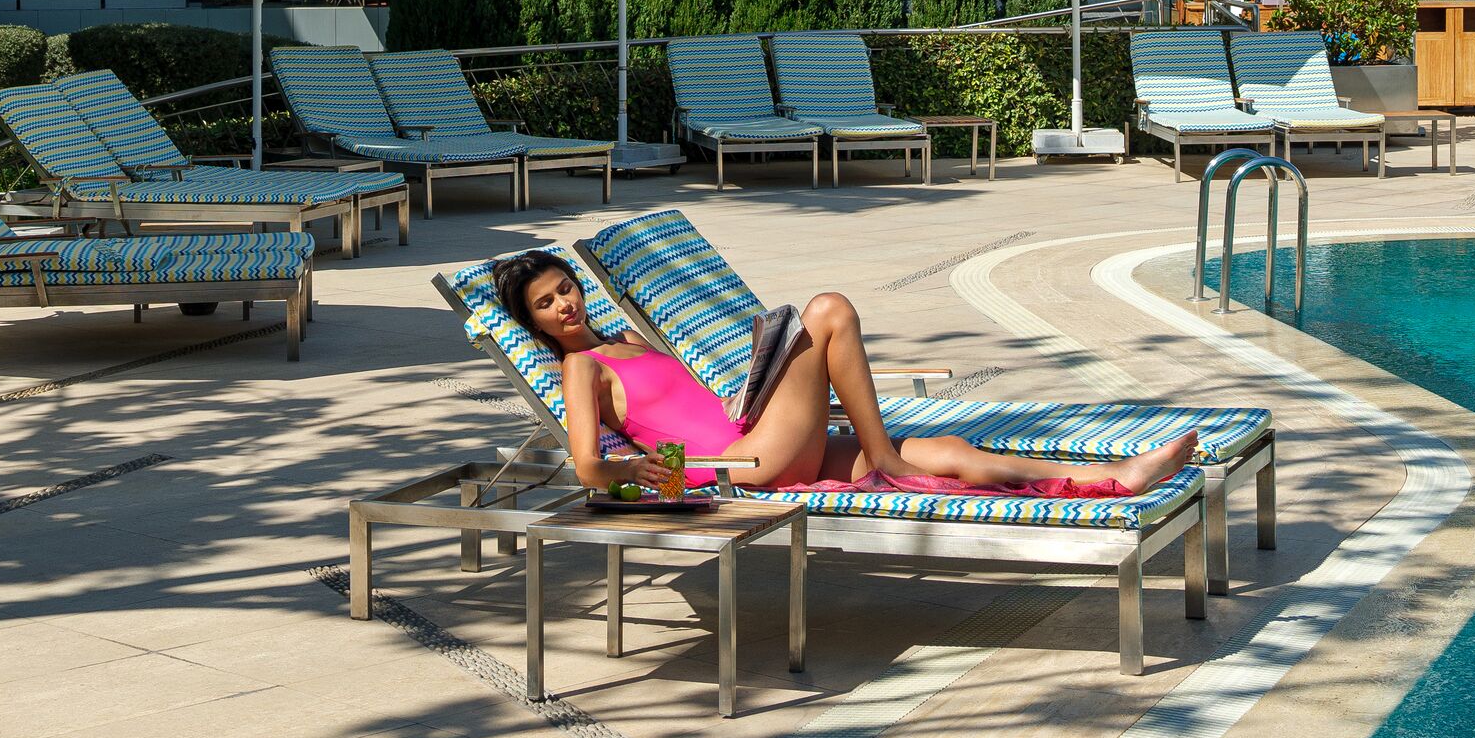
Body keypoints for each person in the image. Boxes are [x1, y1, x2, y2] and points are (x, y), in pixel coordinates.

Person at [490, 249, 1201, 504]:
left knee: (953, 454)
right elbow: (587, 466)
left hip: (759, 439)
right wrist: (646, 477)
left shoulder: (624, 339)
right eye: (547, 304)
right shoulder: (579, 369)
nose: (565, 305)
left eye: (565, 289)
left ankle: (1116, 478)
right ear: (537, 324)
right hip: (737, 466)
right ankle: (884, 456)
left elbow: (679, 409)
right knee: (828, 311)